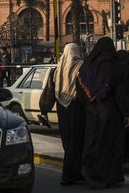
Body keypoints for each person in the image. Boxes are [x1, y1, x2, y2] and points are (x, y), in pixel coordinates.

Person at [76, 37, 129, 189]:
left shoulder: (88, 65)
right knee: (111, 144)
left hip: (93, 111)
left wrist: (87, 104)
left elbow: (80, 86)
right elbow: (120, 90)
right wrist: (127, 113)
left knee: (95, 142)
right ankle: (110, 177)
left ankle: (93, 174)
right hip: (110, 111)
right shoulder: (113, 64)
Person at [52, 43, 86, 186]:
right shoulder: (81, 67)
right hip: (76, 108)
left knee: (68, 142)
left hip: (61, 107)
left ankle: (75, 173)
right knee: (76, 142)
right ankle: (68, 176)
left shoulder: (58, 68)